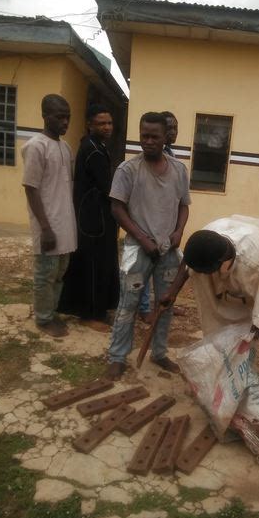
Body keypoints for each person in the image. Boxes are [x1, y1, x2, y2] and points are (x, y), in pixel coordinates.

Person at [160, 214, 259, 436]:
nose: (202, 276)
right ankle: (232, 394)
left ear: (219, 264)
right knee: (229, 341)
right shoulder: (206, 240)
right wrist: (173, 290)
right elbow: (188, 261)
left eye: (206, 272)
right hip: (241, 286)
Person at [106, 111, 191, 380]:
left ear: (166, 137)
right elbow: (117, 208)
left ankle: (159, 353)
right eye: (144, 136)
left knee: (165, 304)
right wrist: (143, 238)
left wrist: (179, 231)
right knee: (128, 305)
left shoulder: (179, 170)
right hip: (137, 250)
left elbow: (183, 206)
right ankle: (118, 357)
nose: (149, 141)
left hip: (168, 252)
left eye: (155, 136)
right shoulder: (127, 169)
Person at [58, 105, 119, 331]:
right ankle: (89, 314)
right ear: (90, 125)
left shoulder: (96, 146)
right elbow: (107, 187)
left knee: (100, 263)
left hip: (97, 215)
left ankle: (98, 310)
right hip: (93, 219)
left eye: (110, 123)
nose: (107, 127)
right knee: (93, 266)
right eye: (101, 123)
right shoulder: (92, 149)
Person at [22, 94, 77, 338]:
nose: (65, 122)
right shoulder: (36, 146)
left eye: (68, 117)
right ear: (45, 116)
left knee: (60, 273)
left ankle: (51, 312)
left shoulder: (65, 148)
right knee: (45, 274)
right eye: (59, 117)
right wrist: (45, 228)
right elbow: (31, 189)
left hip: (65, 223)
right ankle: (43, 319)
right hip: (48, 225)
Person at [138, 110, 183, 323]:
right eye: (170, 128)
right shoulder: (143, 163)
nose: (174, 132)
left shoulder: (172, 158)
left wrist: (177, 229)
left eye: (175, 127)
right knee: (145, 272)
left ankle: (163, 305)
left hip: (169, 231)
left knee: (166, 274)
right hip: (149, 231)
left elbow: (179, 200)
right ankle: (144, 308)